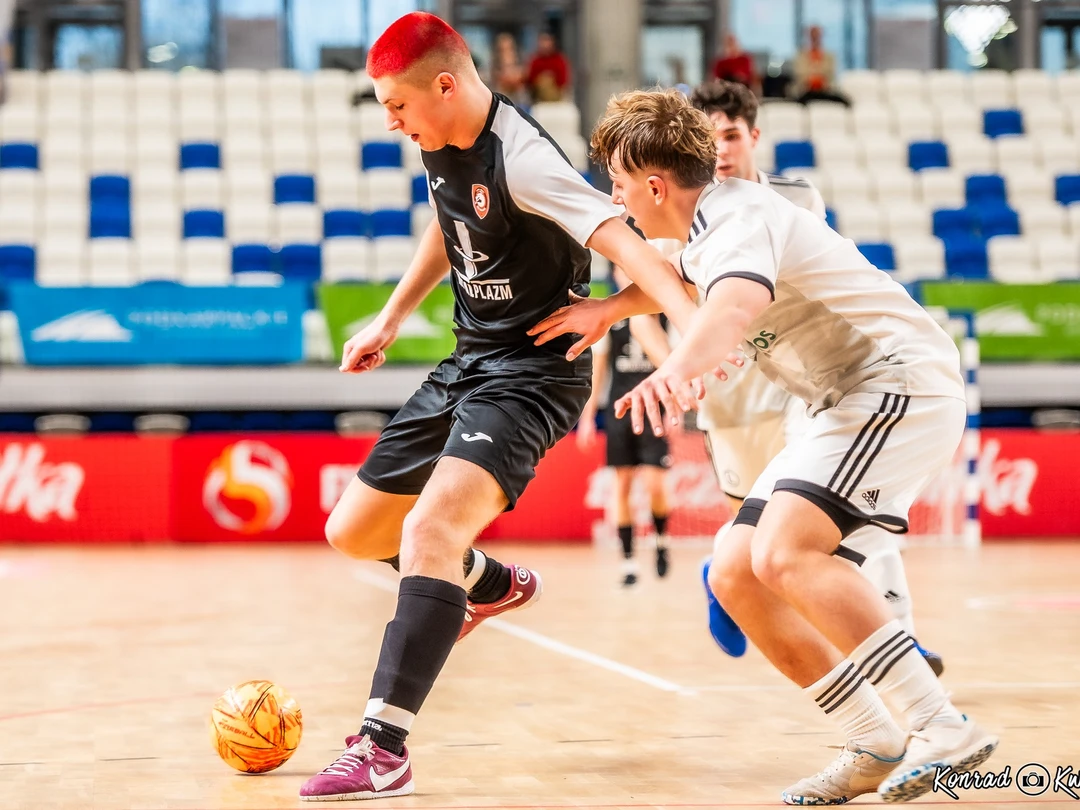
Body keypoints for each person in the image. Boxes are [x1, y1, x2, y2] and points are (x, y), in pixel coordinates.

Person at [532, 88, 997, 805]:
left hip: (897, 380)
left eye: (618, 183)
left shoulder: (738, 214)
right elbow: (686, 279)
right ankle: (872, 739)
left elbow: (734, 303)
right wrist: (611, 308)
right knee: (735, 570)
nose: (614, 195)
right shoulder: (706, 225)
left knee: (787, 550)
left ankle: (942, 726)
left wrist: (674, 371)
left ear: (653, 186)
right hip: (840, 399)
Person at [299, 13, 699, 803]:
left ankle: (383, 744)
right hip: (467, 363)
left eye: (397, 105)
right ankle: (485, 584)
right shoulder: (439, 141)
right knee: (353, 532)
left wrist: (680, 339)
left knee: (428, 529)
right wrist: (389, 317)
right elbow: (446, 228)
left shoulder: (522, 158)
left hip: (534, 374)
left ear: (445, 85)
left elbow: (630, 245)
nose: (391, 120)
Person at [688, 79, 943, 674]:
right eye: (709, 137)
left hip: (809, 382)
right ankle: (721, 573)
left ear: (754, 136)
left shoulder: (798, 197)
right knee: (752, 528)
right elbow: (667, 297)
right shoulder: (684, 211)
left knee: (848, 511)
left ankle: (899, 638)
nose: (721, 149)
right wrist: (682, 365)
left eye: (731, 135)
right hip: (726, 387)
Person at [578, 267, 671, 586]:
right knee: (622, 485)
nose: (626, 273)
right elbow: (598, 372)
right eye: (620, 268)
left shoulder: (664, 309)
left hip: (654, 407)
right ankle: (628, 561)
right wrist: (589, 417)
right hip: (620, 409)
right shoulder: (609, 313)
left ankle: (660, 541)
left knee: (656, 484)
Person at [791, 25, 851, 106]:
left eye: (817, 35)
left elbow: (831, 74)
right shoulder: (801, 56)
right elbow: (800, 75)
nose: (815, 38)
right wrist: (813, 79)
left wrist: (819, 79)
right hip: (807, 91)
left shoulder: (829, 56)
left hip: (825, 90)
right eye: (813, 35)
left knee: (844, 102)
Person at [526, 32, 571, 102]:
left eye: (547, 41)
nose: (545, 45)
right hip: (538, 99)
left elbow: (563, 81)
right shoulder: (535, 60)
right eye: (542, 41)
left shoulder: (559, 60)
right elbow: (530, 80)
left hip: (557, 98)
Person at [489, 32, 528, 106]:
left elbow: (523, 72)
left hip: (517, 88)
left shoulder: (519, 57)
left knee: (522, 92)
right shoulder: (495, 60)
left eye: (508, 45)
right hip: (502, 88)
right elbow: (495, 75)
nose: (505, 48)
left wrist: (514, 77)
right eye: (503, 46)